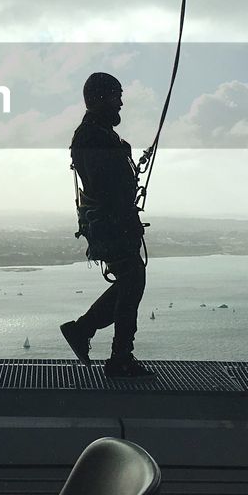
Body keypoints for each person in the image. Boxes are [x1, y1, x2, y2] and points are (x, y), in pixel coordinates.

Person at [60, 72, 153, 378]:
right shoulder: (94, 137)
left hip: (112, 223)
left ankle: (86, 331)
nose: (121, 103)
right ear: (101, 100)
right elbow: (108, 185)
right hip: (112, 224)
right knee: (132, 281)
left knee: (131, 281)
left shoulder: (97, 135)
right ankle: (118, 357)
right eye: (116, 97)